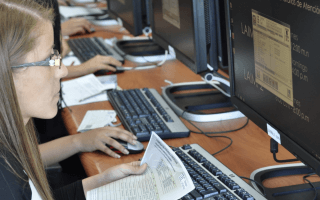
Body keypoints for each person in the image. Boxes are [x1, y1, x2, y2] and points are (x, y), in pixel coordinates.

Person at [0, 0, 147, 199]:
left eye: (56, 56)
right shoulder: (7, 186)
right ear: (7, 73)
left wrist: (103, 182)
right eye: (49, 60)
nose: (63, 70)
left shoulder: (9, 148)